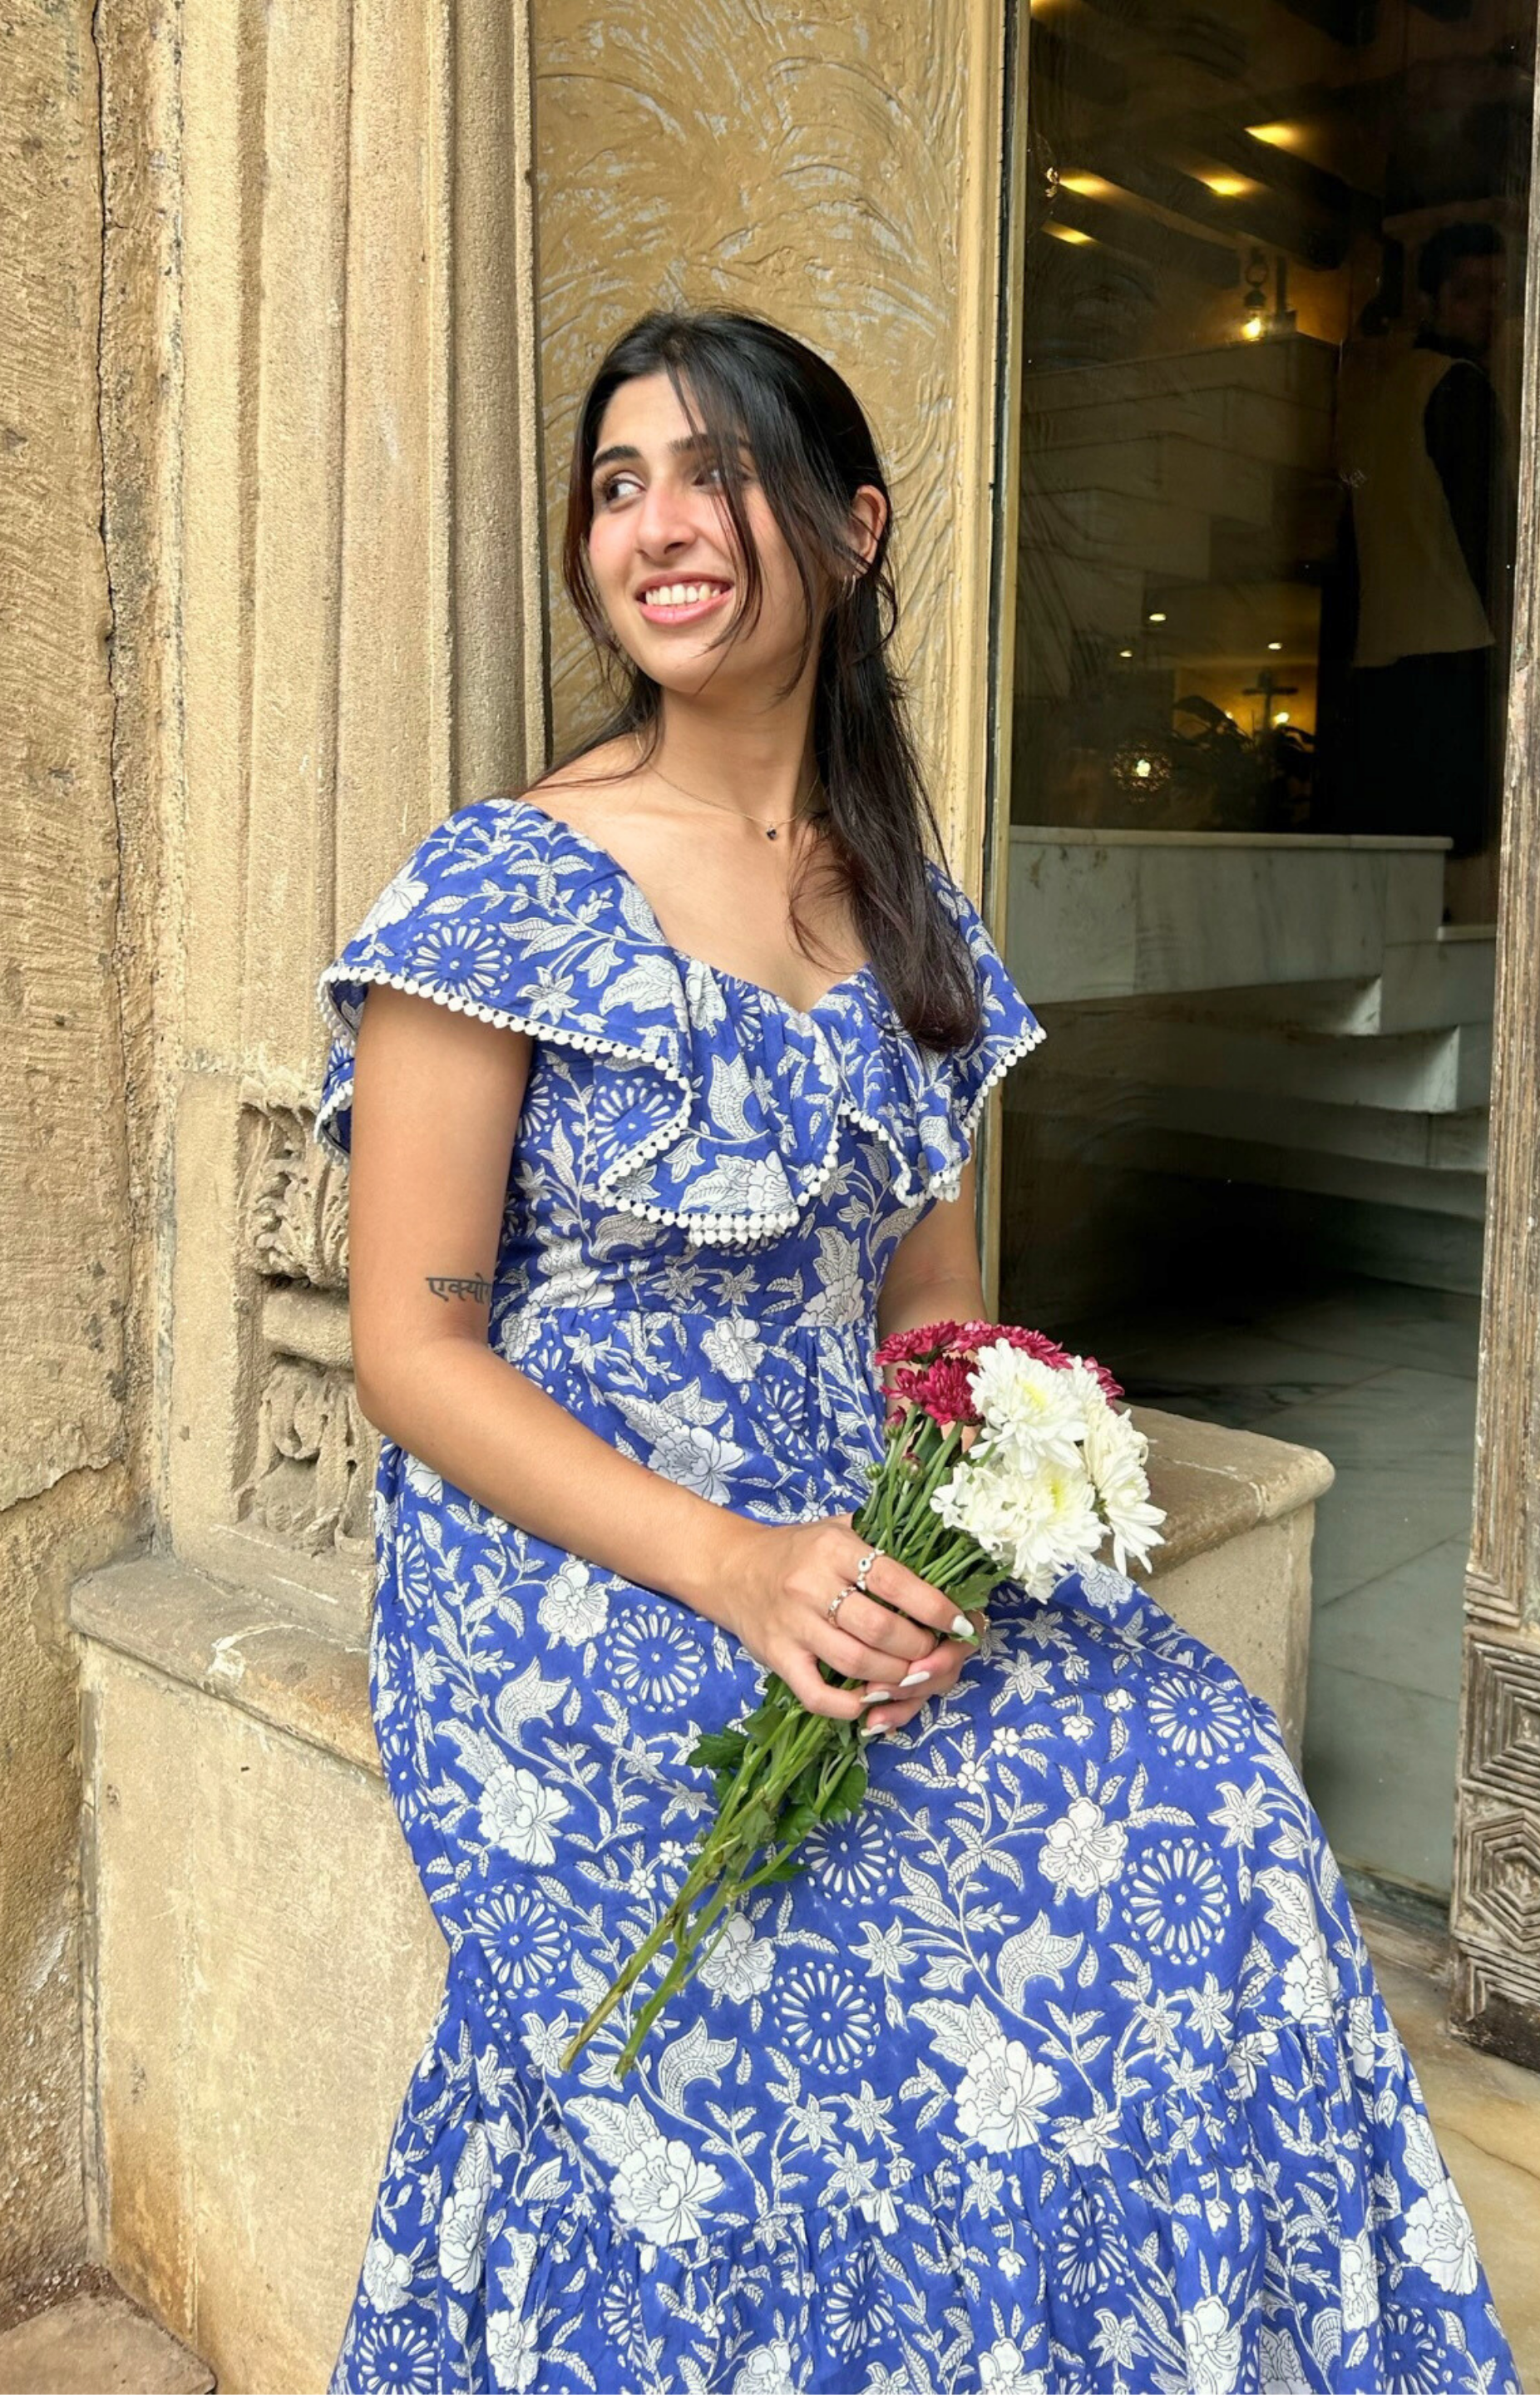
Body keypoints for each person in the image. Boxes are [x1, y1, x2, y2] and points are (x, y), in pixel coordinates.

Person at [313, 310, 1518, 2393]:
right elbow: (411, 1354)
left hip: (847, 1552)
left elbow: (931, 1322)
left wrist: (953, 1542)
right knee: (822, 1974)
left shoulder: (907, 913)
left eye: (718, 473)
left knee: (1206, 1795)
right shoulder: (500, 882)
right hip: (580, 1573)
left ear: (853, 532)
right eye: (617, 485)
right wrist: (733, 1563)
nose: (660, 525)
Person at [1336, 221, 1515, 921]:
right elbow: (1487, 534)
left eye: (1496, 293)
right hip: (1455, 650)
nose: (1488, 310)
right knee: (1465, 861)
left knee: (1401, 866)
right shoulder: (1460, 388)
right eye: (1471, 292)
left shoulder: (1382, 395)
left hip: (1383, 659)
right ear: (1433, 299)